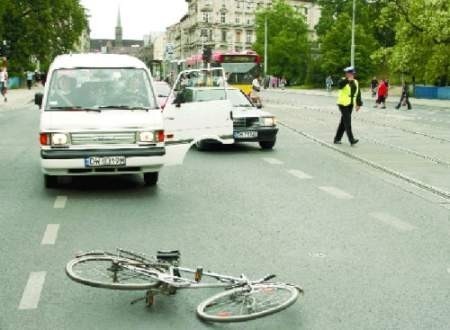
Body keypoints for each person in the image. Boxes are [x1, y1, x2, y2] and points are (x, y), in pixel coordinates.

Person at [334, 66, 362, 146]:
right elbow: (339, 86)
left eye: (352, 73)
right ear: (346, 74)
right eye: (349, 73)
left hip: (350, 104)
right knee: (347, 121)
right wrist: (347, 80)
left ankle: (337, 139)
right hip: (343, 104)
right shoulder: (342, 80)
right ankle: (351, 139)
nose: (351, 75)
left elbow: (358, 93)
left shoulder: (356, 82)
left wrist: (358, 104)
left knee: (343, 122)